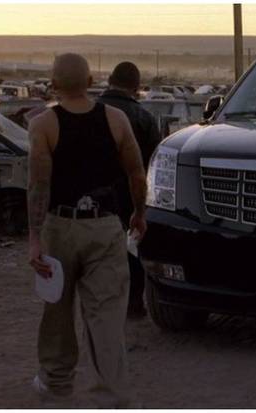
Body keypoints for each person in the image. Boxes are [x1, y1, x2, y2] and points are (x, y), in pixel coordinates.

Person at [27, 53, 147, 407]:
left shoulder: (43, 124)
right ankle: (111, 396)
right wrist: (139, 214)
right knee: (106, 317)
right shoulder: (116, 119)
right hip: (105, 227)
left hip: (60, 227)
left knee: (57, 309)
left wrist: (34, 238)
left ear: (53, 84)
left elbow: (38, 186)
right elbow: (136, 174)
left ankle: (56, 383)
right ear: (92, 81)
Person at [97, 61, 162, 318]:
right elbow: (153, 162)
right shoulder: (142, 117)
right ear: (136, 88)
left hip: (93, 196)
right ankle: (133, 303)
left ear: (110, 80)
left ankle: (102, 302)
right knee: (132, 248)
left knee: (97, 251)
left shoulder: (90, 112)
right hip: (130, 194)